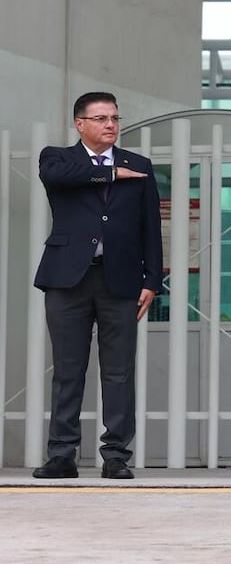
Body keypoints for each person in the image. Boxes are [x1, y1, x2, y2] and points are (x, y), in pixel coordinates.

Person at [32, 91, 163, 480]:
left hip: (120, 279)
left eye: (115, 118)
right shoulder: (58, 158)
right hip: (67, 279)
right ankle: (62, 454)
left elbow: (151, 227)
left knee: (119, 372)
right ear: (80, 123)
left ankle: (116, 455)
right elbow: (56, 178)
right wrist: (109, 174)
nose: (111, 125)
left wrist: (152, 280)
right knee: (68, 370)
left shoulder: (139, 165)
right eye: (102, 118)